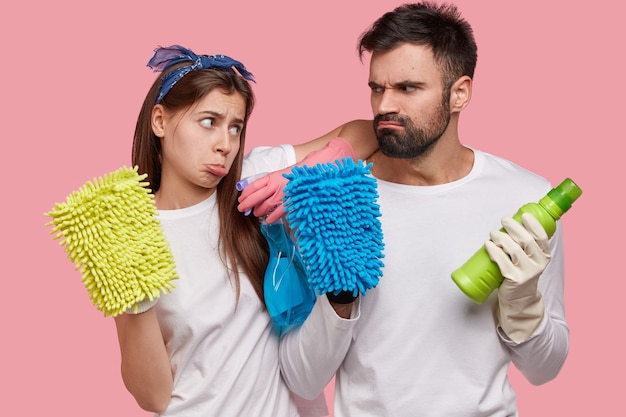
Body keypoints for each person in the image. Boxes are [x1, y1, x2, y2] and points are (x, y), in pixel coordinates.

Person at [238, 2, 569, 416]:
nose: (384, 106)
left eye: (408, 88)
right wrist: (341, 298)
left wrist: (524, 306)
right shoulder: (340, 199)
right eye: (377, 88)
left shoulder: (524, 198)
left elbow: (545, 370)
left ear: (460, 93)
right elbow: (303, 378)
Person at [113, 45, 376, 416]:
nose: (225, 145)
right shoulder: (133, 233)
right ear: (160, 121)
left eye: (235, 127)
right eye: (208, 122)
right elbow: (153, 396)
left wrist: (302, 173)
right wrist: (133, 292)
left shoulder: (253, 181)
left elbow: (368, 133)